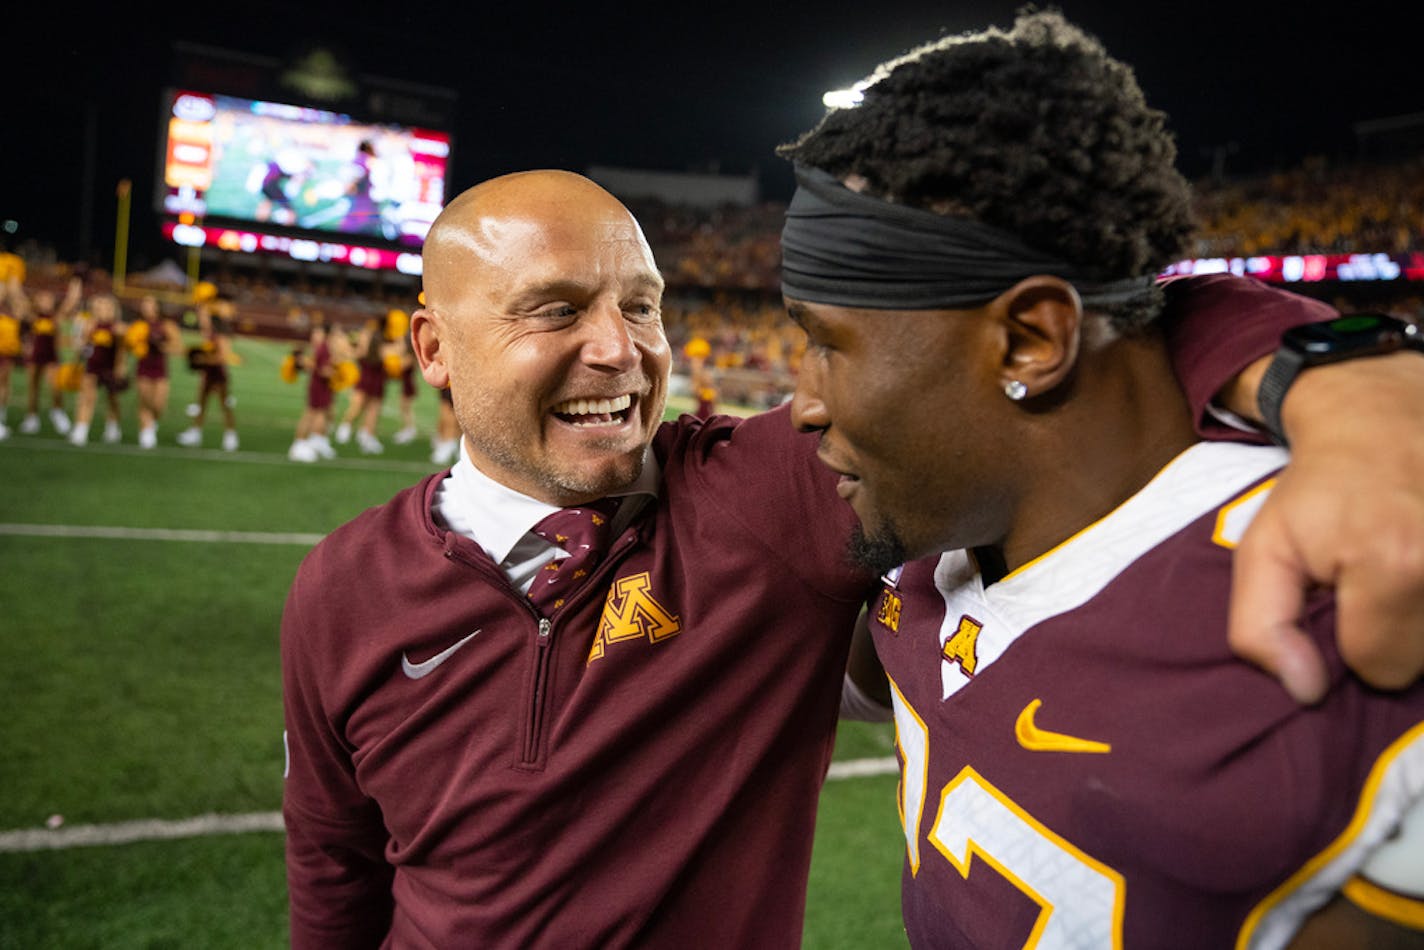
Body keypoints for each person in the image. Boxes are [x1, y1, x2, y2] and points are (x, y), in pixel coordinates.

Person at [282, 166, 1424, 947]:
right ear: (433, 344)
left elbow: (1098, 314)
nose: (619, 350)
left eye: (642, 305)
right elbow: (335, 870)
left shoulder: (760, 493)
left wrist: (1345, 377)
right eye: (554, 310)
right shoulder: (340, 583)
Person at [777, 11, 1424, 945]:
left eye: (826, 344)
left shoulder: (1342, 594)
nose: (799, 404)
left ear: (1031, 340)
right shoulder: (934, 526)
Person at [11, 276, 80, 436]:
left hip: (51, 356)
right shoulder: (32, 316)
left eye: (48, 299)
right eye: (42, 299)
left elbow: (70, 303)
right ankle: (31, 417)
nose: (46, 302)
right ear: (37, 301)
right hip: (34, 356)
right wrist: (14, 284)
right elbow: (18, 299)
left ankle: (57, 412)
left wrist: (75, 286)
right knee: (33, 387)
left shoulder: (55, 317)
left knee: (55, 386)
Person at [176, 297, 240, 451]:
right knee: (201, 404)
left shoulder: (220, 335)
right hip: (207, 374)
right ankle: (195, 433)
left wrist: (203, 359)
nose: (201, 318)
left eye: (204, 316)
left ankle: (231, 435)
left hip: (218, 375)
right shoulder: (208, 333)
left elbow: (223, 357)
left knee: (224, 406)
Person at [67, 291, 128, 446]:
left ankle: (112, 428)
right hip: (92, 366)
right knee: (86, 398)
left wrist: (120, 367)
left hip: (110, 368)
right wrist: (79, 347)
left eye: (105, 307)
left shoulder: (118, 327)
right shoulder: (89, 324)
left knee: (112, 399)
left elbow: (121, 351)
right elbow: (84, 347)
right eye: (98, 307)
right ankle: (81, 430)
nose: (101, 310)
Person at [128, 294, 183, 449]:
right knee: (145, 400)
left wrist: (161, 346)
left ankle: (152, 422)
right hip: (143, 367)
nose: (146, 308)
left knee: (159, 404)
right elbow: (129, 345)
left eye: (150, 304)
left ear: (157, 307)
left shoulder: (166, 325)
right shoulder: (138, 325)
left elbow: (178, 348)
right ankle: (145, 431)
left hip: (160, 368)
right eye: (144, 304)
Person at [286, 318, 339, 463]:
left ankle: (315, 440)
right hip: (318, 385)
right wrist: (337, 374)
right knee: (310, 414)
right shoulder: (323, 348)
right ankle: (298, 444)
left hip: (322, 385)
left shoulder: (325, 347)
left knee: (320, 414)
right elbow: (322, 370)